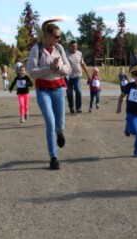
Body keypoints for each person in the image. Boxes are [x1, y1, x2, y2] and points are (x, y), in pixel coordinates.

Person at [27, 18, 71, 170]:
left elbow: (68, 69)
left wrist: (58, 68)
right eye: (56, 36)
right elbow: (32, 72)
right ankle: (53, 157)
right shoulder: (36, 49)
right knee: (50, 123)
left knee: (59, 124)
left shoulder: (59, 48)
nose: (59, 39)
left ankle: (60, 132)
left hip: (58, 90)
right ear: (47, 35)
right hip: (43, 91)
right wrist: (49, 68)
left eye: (59, 36)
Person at [65, 40, 90, 114]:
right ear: (69, 46)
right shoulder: (65, 54)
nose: (74, 48)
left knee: (78, 90)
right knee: (69, 93)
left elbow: (82, 64)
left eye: (75, 46)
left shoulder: (79, 53)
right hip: (67, 77)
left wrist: (88, 74)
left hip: (77, 76)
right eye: (72, 46)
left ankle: (78, 108)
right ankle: (71, 107)